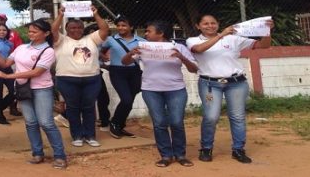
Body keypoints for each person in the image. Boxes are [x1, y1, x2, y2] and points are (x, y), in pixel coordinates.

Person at [186, 14, 273, 164]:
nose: (210, 26)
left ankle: (238, 149)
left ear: (218, 24)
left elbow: (262, 45)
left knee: (237, 117)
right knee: (211, 116)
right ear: (197, 26)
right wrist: (221, 35)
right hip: (210, 85)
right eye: (205, 23)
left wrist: (267, 31)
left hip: (236, 83)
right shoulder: (193, 40)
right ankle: (206, 148)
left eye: (213, 23)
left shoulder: (233, 38)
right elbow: (199, 50)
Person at [0, 19, 67, 169]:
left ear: (46, 33)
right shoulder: (21, 48)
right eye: (29, 31)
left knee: (46, 123)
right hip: (23, 89)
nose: (30, 33)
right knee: (31, 122)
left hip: (41, 89)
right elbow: (5, 63)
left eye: (34, 31)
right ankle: (37, 153)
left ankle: (60, 155)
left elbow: (36, 72)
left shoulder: (48, 51)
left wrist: (8, 76)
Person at [123, 20, 198, 167]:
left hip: (176, 89)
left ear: (161, 33)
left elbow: (194, 69)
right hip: (151, 90)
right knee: (159, 123)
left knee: (176, 122)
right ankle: (166, 155)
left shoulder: (179, 47)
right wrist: (131, 53)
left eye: (149, 31)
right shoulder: (143, 47)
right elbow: (125, 62)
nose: (145, 34)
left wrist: (182, 58)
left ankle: (180, 154)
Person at [51, 5, 109, 148]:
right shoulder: (61, 41)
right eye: (72, 28)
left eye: (79, 27)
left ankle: (90, 136)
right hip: (67, 80)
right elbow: (53, 30)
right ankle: (76, 135)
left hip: (92, 79)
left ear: (83, 28)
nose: (76, 30)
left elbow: (104, 29)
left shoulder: (91, 39)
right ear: (66, 29)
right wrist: (60, 15)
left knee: (89, 107)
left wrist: (96, 14)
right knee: (73, 107)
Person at [100, 15, 144, 138]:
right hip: (117, 72)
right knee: (126, 99)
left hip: (134, 71)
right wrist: (104, 61)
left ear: (131, 27)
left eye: (124, 25)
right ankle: (114, 123)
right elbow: (100, 51)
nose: (120, 28)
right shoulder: (110, 39)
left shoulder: (141, 41)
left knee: (130, 100)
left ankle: (119, 125)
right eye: (118, 25)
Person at [0, 13, 23, 116]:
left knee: (15, 91)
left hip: (7, 68)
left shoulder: (10, 43)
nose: (2, 31)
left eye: (4, 30)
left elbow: (14, 53)